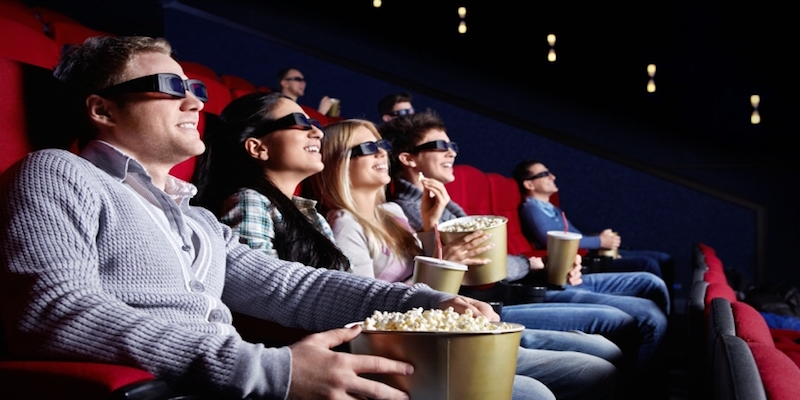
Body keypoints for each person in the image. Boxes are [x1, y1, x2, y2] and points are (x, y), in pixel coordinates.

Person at [0, 36, 549, 400]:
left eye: (194, 88)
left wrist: (428, 302)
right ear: (102, 110)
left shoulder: (191, 216)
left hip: (228, 377)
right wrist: (269, 370)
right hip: (184, 386)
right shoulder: (57, 172)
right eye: (171, 88)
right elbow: (53, 310)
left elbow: (293, 287)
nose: (195, 101)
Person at [310, 118, 620, 399]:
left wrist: (431, 227)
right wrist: (450, 262)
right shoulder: (346, 226)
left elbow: (432, 275)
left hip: (455, 321)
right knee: (565, 381)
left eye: (381, 146)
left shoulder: (391, 213)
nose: (380, 153)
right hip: (424, 344)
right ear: (338, 161)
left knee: (601, 360)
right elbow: (368, 305)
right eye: (367, 147)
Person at [380, 110, 670, 370]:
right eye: (440, 146)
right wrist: (531, 264)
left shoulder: (445, 205)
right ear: (408, 158)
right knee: (636, 320)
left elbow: (484, 261)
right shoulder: (411, 212)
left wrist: (546, 265)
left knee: (646, 297)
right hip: (492, 302)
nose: (452, 152)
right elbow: (475, 268)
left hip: (510, 288)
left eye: (452, 145)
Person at [193, 91, 350, 271]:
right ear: (258, 148)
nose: (318, 133)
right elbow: (258, 280)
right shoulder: (250, 200)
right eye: (301, 122)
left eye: (314, 123)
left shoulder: (309, 213)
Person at [513, 159, 675, 281]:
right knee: (649, 264)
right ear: (529, 184)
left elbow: (575, 234)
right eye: (544, 174)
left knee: (663, 258)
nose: (552, 177)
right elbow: (552, 240)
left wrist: (601, 239)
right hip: (580, 261)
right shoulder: (532, 209)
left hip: (589, 253)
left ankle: (671, 315)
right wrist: (599, 242)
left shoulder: (550, 208)